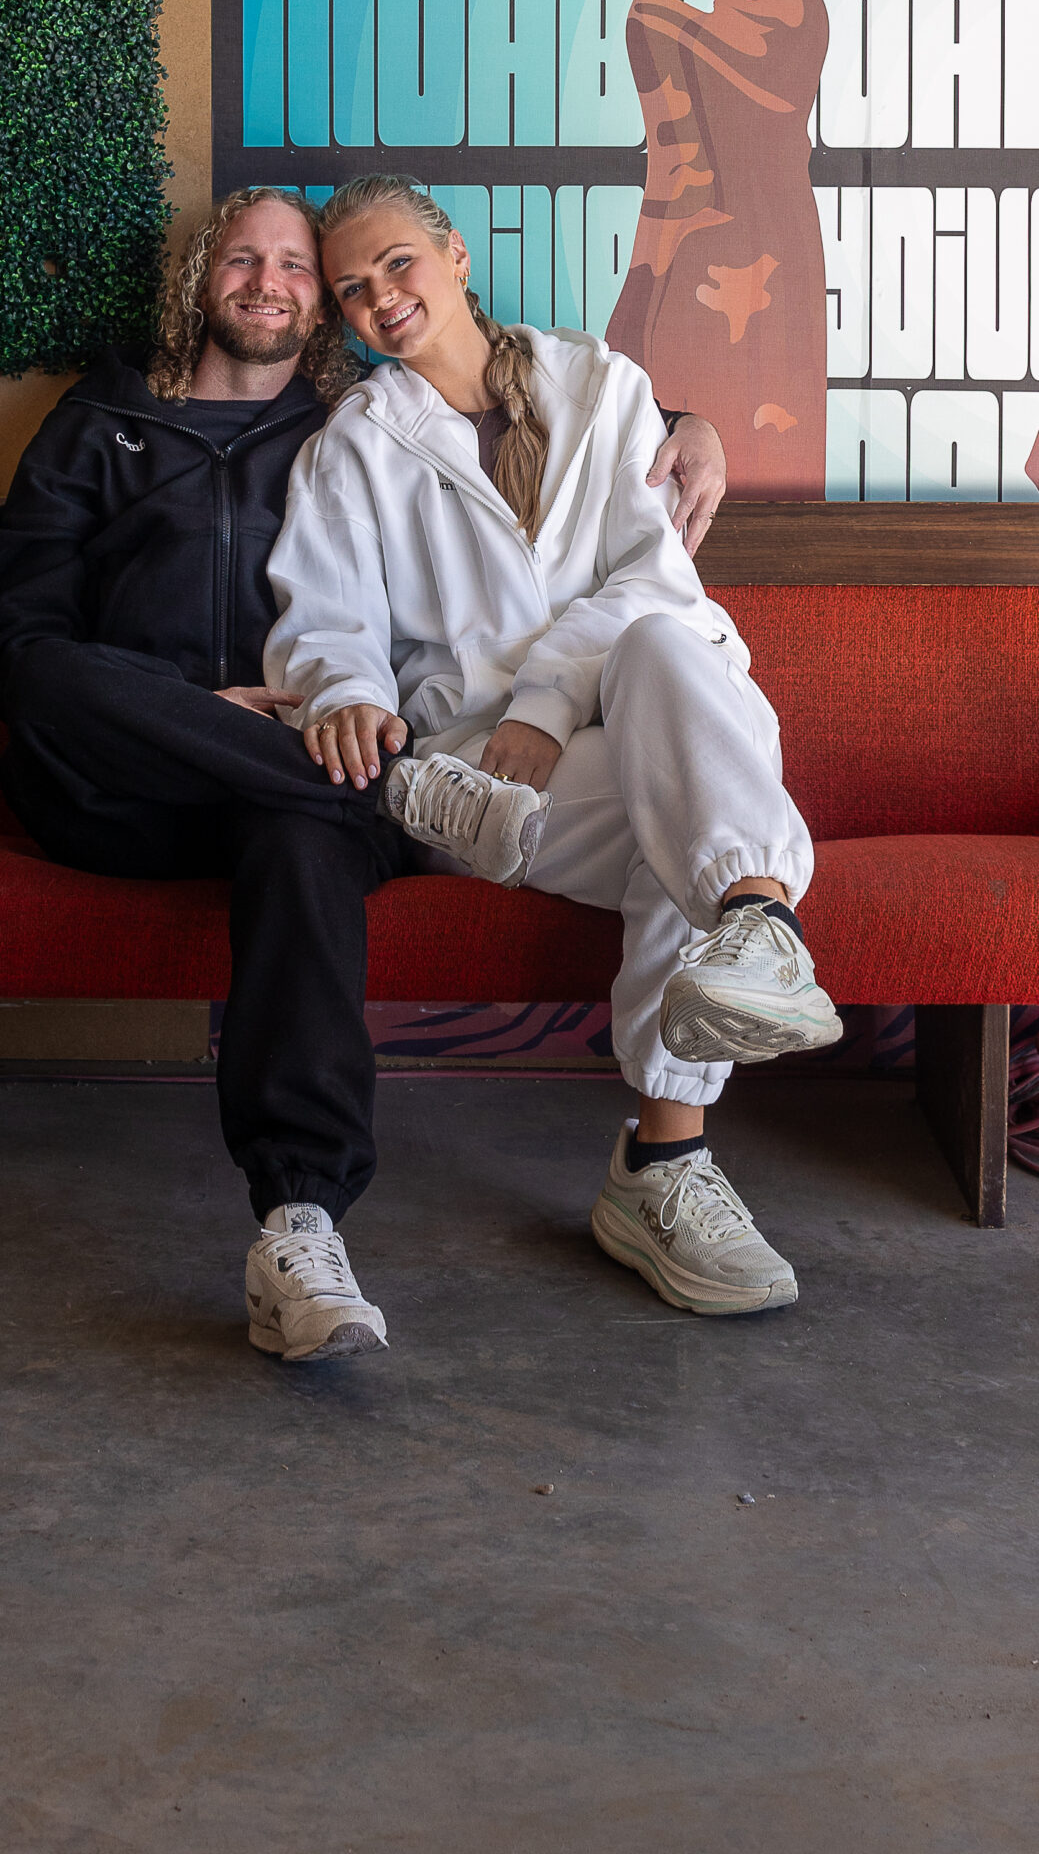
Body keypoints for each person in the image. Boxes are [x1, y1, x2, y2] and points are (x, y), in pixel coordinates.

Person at [0, 186, 729, 1361]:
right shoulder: (95, 424)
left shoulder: (346, 426)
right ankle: (389, 789)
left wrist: (685, 419)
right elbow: (10, 641)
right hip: (122, 782)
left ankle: (296, 1223)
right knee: (57, 680)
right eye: (240, 259)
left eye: (293, 266)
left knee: (300, 831)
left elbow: (521, 387)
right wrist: (182, 707)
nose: (267, 281)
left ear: (318, 305)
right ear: (198, 279)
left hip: (297, 780)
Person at [264, 173, 841, 1327]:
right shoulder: (353, 448)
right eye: (349, 290)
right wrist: (343, 697)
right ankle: (671, 1144)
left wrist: (544, 693)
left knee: (665, 653)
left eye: (396, 265)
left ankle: (747, 927)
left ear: (455, 256)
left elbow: (651, 573)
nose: (378, 298)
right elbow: (324, 623)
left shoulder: (605, 386)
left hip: (647, 719)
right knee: (683, 815)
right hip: (506, 780)